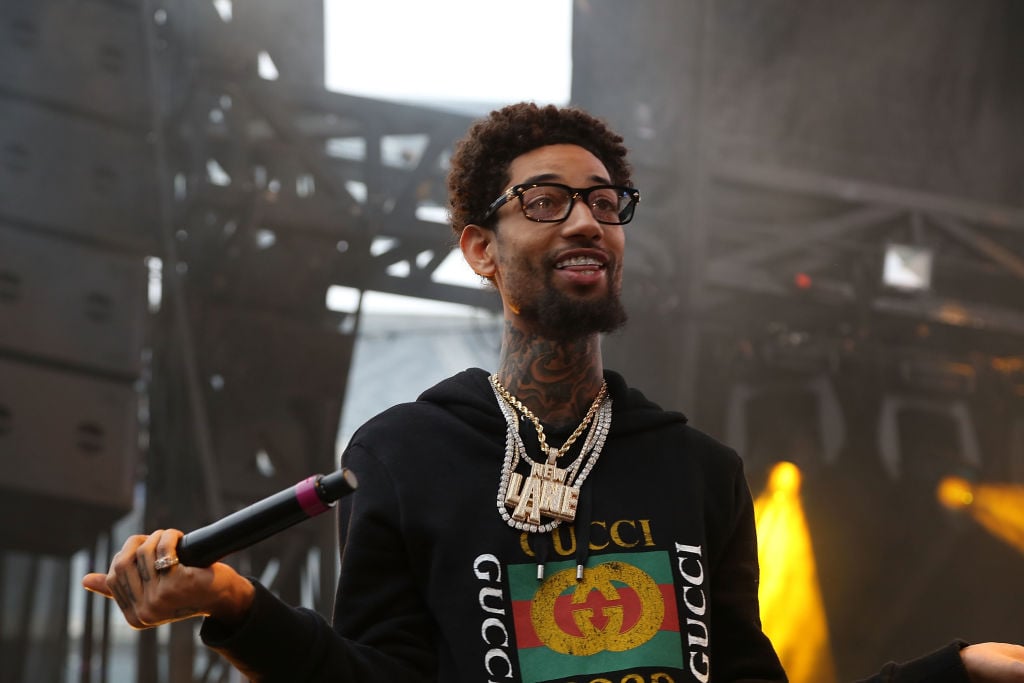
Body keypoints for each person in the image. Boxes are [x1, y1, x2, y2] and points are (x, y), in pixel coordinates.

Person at [84, 102, 1024, 683]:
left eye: (606, 201)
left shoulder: (699, 471)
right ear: (480, 247)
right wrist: (240, 605)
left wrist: (956, 669)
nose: (586, 219)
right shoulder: (402, 455)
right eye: (546, 200)